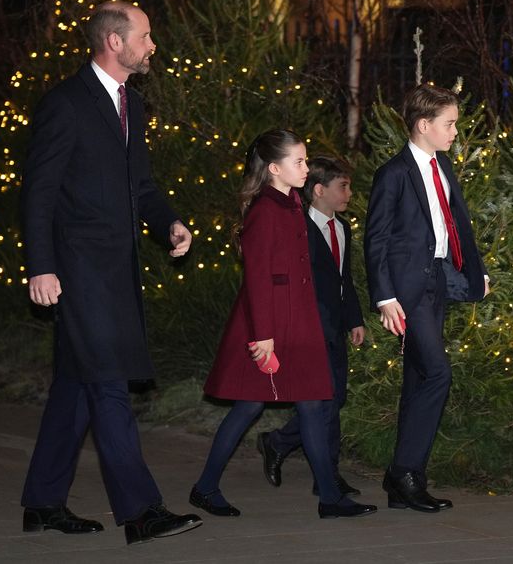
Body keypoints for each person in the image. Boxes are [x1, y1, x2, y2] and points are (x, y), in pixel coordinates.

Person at [20, 1, 202, 544]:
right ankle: (141, 512)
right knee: (108, 386)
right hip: (77, 273)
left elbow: (139, 185)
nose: (153, 46)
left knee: (77, 388)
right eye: (145, 36)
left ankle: (43, 502)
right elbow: (39, 192)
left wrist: (168, 222)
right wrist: (41, 267)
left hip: (116, 271)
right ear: (114, 42)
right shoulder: (66, 104)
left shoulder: (131, 105)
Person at [189, 130, 376, 519]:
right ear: (275, 168)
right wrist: (264, 337)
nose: (306, 169)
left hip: (298, 323)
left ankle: (329, 497)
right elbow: (257, 278)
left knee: (313, 404)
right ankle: (205, 487)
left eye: (306, 161)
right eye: (300, 162)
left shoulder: (291, 202)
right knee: (247, 408)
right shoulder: (264, 210)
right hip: (268, 328)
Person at [364, 83, 490, 513]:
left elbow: (456, 227)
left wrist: (474, 274)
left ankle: (403, 482)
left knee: (418, 379)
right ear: (423, 125)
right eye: (449, 124)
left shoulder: (444, 167)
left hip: (436, 282)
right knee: (438, 373)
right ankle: (405, 472)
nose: (455, 131)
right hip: (407, 291)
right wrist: (384, 298)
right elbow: (375, 239)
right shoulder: (395, 173)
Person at [257, 156, 365, 497]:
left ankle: (277, 441)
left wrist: (355, 319)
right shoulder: (299, 227)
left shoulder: (343, 229)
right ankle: (326, 476)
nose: (349, 192)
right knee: (322, 400)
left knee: (335, 397)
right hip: (306, 327)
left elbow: (343, 279)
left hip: (335, 326)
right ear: (318, 190)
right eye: (342, 186)